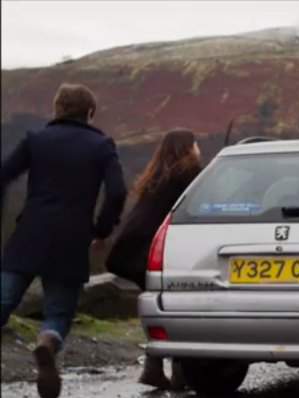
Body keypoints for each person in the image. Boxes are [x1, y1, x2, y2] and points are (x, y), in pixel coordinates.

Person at [0, 83, 127, 398]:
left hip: (29, 234)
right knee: (58, 312)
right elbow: (117, 192)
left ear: (56, 109)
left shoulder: (36, 140)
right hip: (71, 241)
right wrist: (101, 230)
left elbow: (3, 175)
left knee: (3, 299)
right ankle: (47, 341)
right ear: (90, 112)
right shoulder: (101, 146)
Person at [105, 128, 202, 389]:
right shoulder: (188, 173)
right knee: (177, 308)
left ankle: (156, 368)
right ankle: (178, 373)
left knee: (165, 308)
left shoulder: (158, 175)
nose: (198, 149)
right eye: (196, 144)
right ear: (188, 148)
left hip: (128, 252)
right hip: (148, 252)